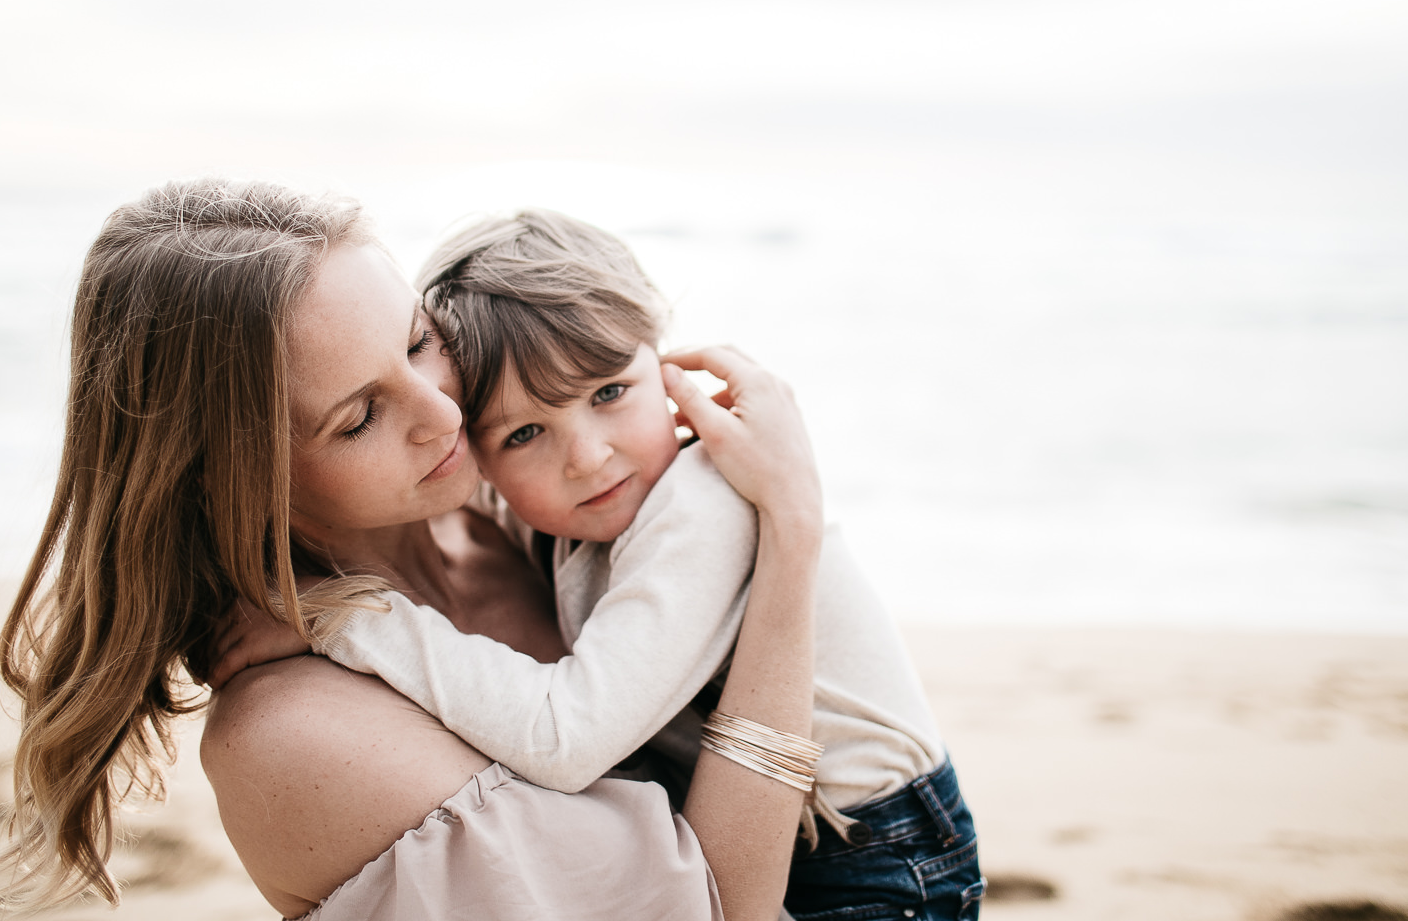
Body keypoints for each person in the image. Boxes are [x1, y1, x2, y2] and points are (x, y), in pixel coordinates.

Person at [0, 179, 827, 921]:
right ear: (239, 478)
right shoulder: (295, 734)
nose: (446, 415)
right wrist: (791, 536)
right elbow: (726, 910)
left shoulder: (515, 518)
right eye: (359, 418)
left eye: (421, 343)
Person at [211, 210, 983, 920]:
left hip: (881, 851)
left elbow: (568, 736)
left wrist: (347, 620)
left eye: (611, 391)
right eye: (523, 434)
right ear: (476, 448)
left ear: (667, 363)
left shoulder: (702, 504)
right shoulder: (544, 507)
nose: (586, 456)